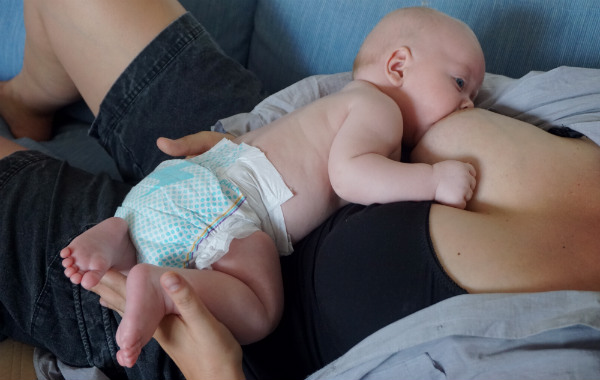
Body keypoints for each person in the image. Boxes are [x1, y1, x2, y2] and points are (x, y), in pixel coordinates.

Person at [0, 0, 598, 379]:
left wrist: (217, 375)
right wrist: (241, 132)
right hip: (247, 160)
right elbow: (358, 107)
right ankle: (24, 100)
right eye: (462, 87)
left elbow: (373, 111)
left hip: (207, 298)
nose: (470, 99)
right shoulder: (582, 107)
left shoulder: (566, 360)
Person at [56, 6, 483, 368]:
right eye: (460, 84)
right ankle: (159, 287)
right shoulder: (380, 110)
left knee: (144, 231)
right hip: (227, 207)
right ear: (398, 66)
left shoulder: (338, 100)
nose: (469, 105)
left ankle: (118, 231)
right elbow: (350, 176)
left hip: (180, 181)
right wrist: (433, 178)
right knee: (260, 311)